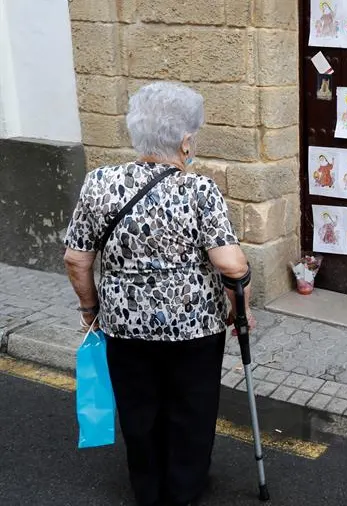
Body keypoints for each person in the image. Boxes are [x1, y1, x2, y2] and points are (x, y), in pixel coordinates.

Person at [63, 82, 255, 506]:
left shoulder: (99, 184)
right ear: (186, 141)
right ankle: (184, 489)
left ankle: (148, 490)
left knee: (138, 409)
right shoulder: (199, 189)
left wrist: (90, 309)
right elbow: (232, 265)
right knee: (192, 408)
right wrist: (240, 311)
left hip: (125, 327)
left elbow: (76, 259)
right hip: (194, 329)